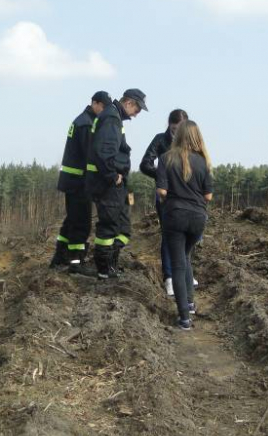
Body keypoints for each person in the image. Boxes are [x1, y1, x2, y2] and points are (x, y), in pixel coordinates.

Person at [156, 120, 213, 330]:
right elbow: (208, 195)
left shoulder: (166, 158)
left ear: (177, 135)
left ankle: (184, 319)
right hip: (198, 218)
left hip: (175, 216)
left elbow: (162, 191)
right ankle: (189, 303)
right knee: (186, 256)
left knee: (178, 264)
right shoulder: (203, 161)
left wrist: (168, 200)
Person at [86, 88, 148, 279]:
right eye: (137, 110)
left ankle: (111, 265)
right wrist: (113, 176)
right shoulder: (112, 118)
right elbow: (104, 151)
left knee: (122, 227)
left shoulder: (113, 117)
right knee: (109, 226)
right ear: (128, 102)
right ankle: (104, 269)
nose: (136, 115)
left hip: (114, 184)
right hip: (107, 184)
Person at [50, 91, 112, 273]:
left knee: (72, 220)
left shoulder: (82, 120)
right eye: (103, 107)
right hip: (79, 181)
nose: (104, 111)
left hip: (73, 180)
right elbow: (90, 155)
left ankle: (59, 257)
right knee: (81, 222)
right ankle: (76, 262)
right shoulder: (86, 124)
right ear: (95, 103)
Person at [140, 109, 188, 296]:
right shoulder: (160, 140)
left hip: (186, 196)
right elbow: (145, 164)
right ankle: (168, 277)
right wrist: (163, 178)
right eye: (174, 128)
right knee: (169, 234)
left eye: (181, 129)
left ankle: (184, 273)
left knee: (186, 235)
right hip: (166, 195)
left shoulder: (190, 141)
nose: (177, 133)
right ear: (169, 125)